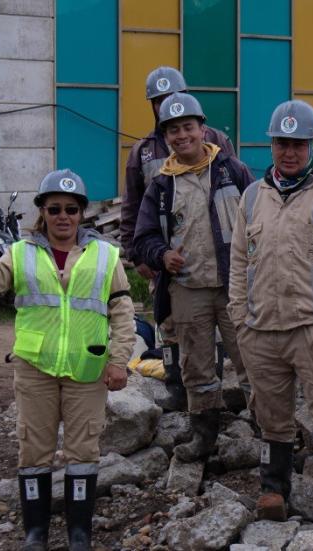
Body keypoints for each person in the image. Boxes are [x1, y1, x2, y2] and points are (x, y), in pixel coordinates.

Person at [0, 169, 133, 551]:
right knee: (33, 450)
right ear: (42, 211)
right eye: (54, 208)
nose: (63, 216)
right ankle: (35, 535)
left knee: (83, 450)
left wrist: (119, 361)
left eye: (71, 209)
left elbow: (122, 313)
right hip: (35, 369)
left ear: (81, 213)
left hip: (86, 371)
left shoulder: (107, 256)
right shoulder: (21, 253)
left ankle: (79, 536)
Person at [227, 100, 313, 526]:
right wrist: (239, 316)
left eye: (297, 144)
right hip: (261, 329)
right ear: (271, 145)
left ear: (312, 145)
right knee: (271, 416)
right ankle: (273, 493)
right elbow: (237, 259)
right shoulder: (253, 196)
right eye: (281, 143)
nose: (289, 152)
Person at [132, 92, 253, 453]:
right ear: (165, 136)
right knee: (196, 366)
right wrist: (162, 255)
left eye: (188, 127)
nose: (182, 135)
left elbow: (262, 219)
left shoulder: (233, 170)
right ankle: (204, 434)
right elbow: (144, 238)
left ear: (203, 129)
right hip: (188, 289)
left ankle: (268, 428)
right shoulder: (162, 186)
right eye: (173, 130)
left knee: (251, 358)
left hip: (236, 285)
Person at [119, 66, 236, 407]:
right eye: (159, 101)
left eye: (172, 98)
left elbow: (237, 200)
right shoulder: (143, 151)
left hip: (218, 260)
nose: (167, 105)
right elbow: (133, 204)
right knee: (171, 324)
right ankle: (176, 387)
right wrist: (138, 253)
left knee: (216, 326)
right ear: (152, 105)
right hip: (169, 263)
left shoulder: (217, 141)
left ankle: (215, 387)